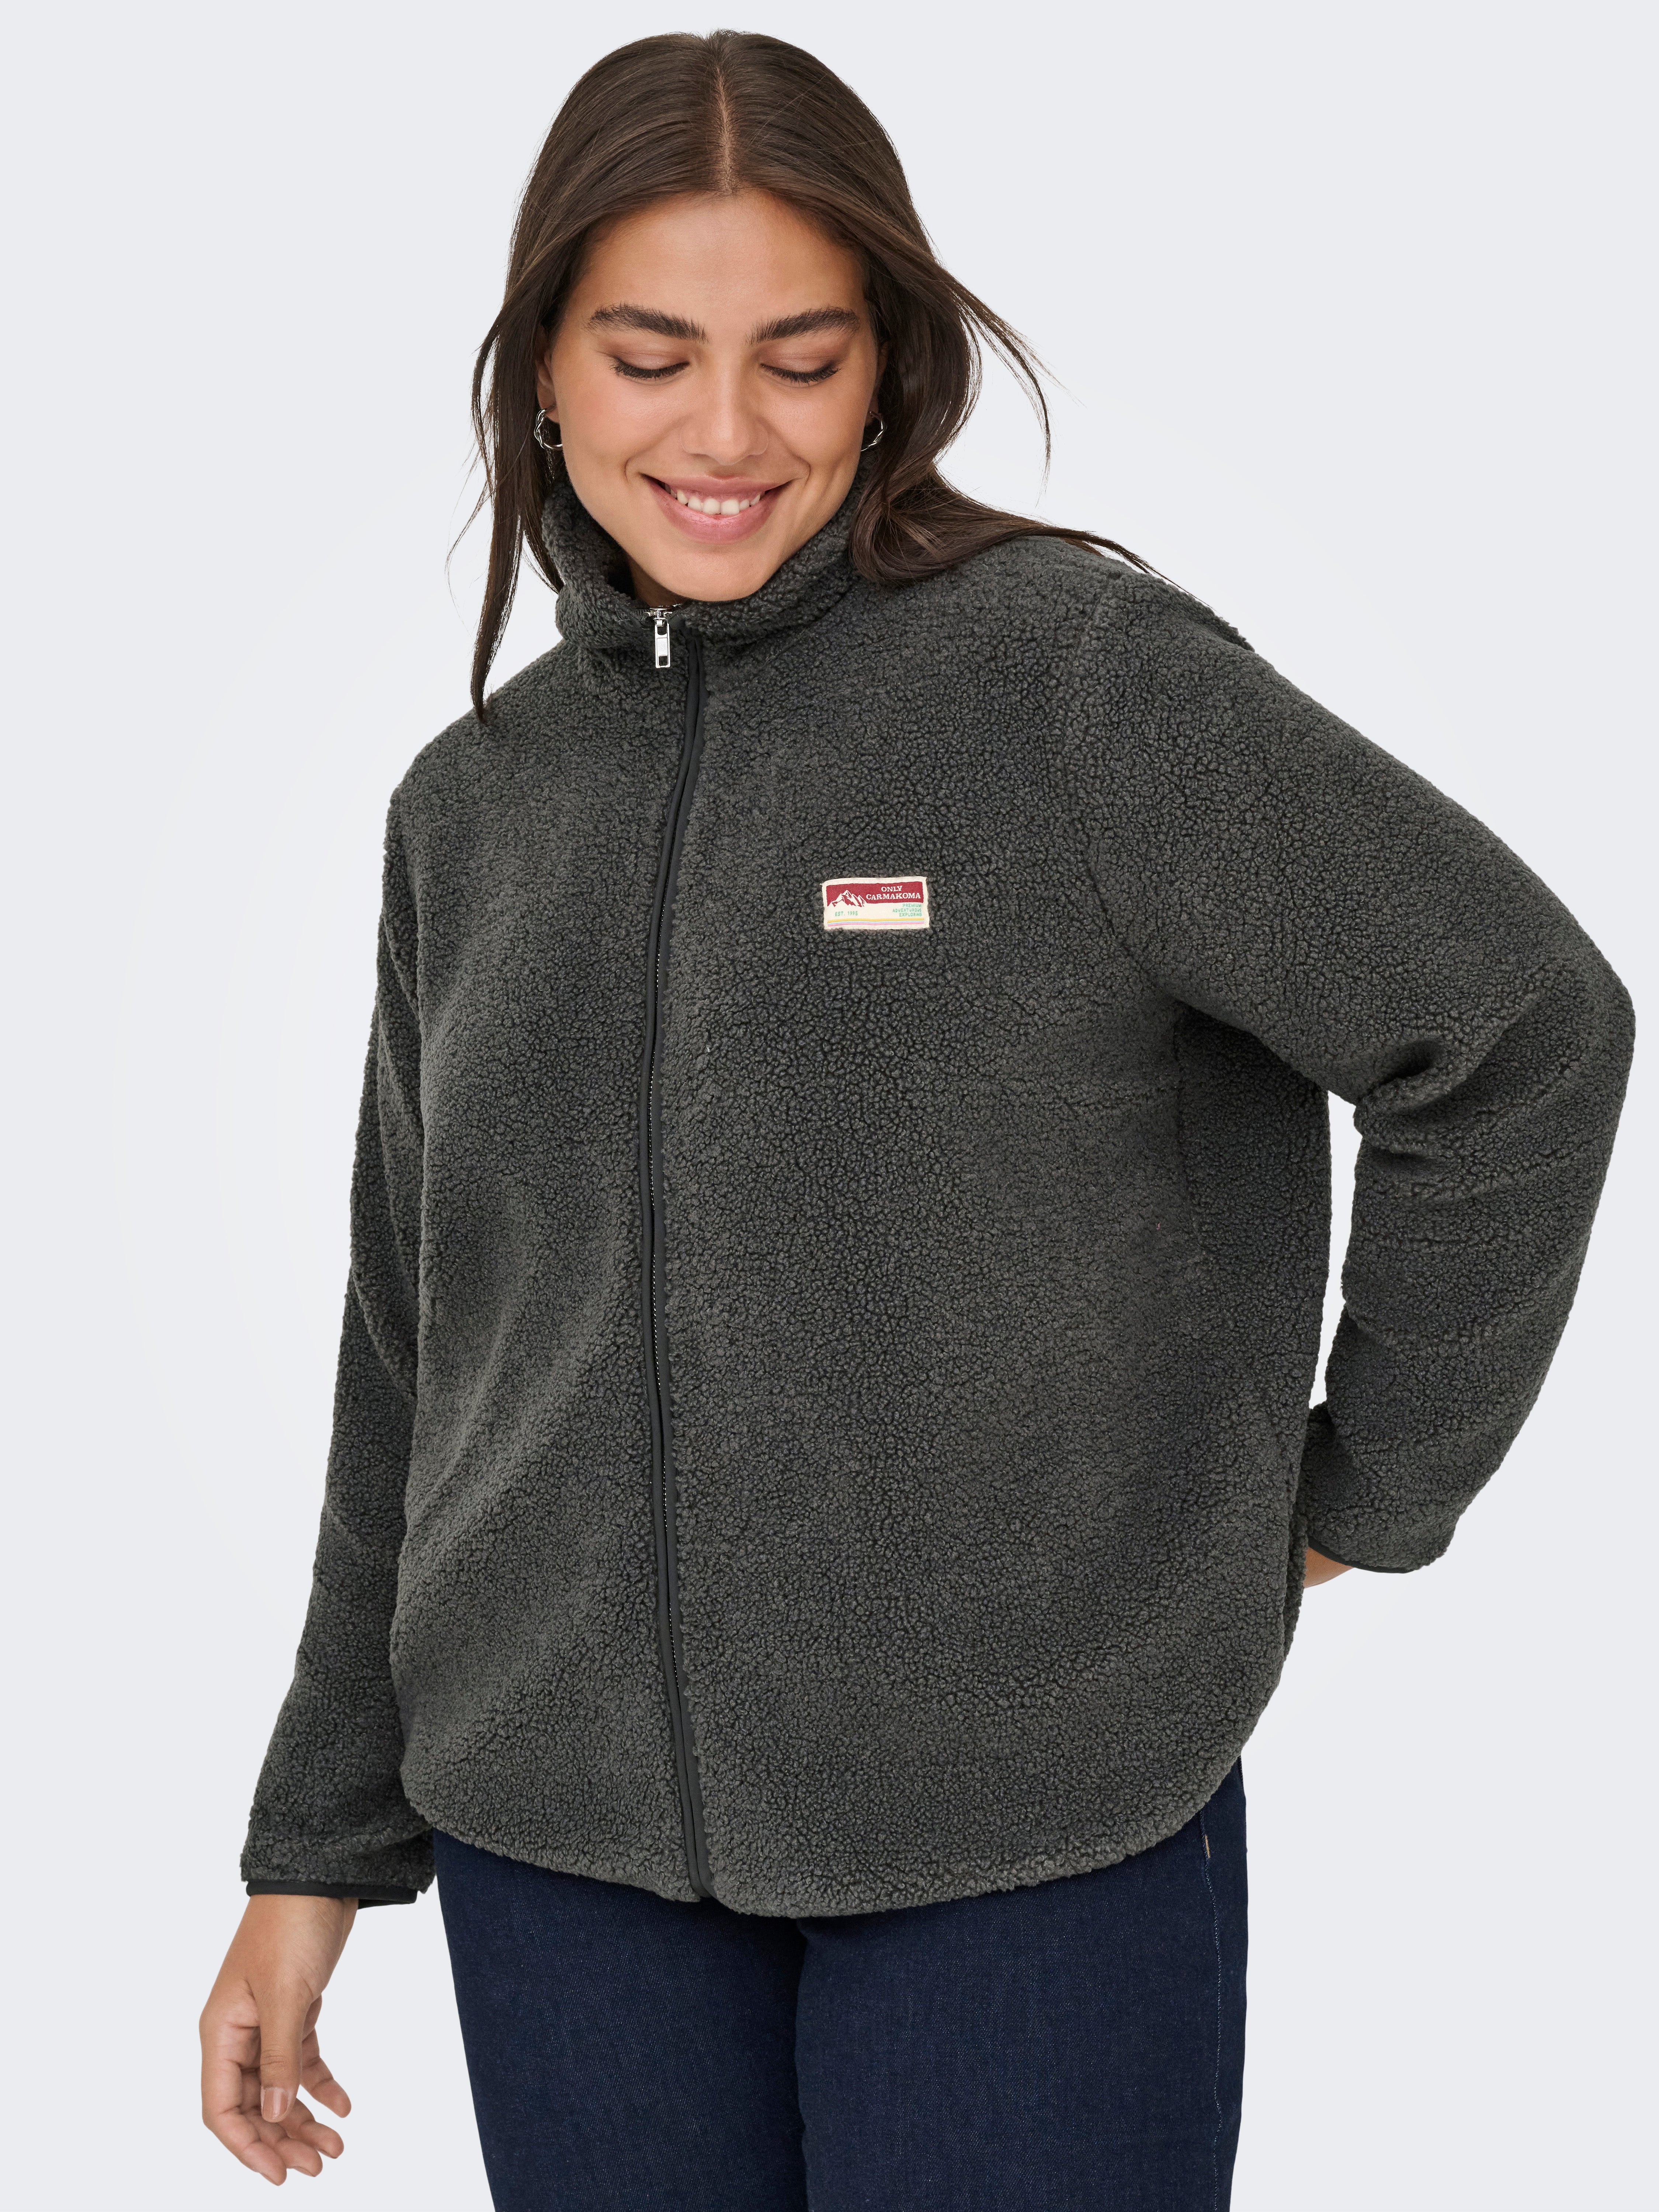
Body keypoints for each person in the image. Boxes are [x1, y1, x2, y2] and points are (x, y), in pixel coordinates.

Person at [198, 29, 1634, 2209]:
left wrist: (1362, 1489)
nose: (723, 432)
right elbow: (417, 1343)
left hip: (1030, 1832)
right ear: (545, 373)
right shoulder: (475, 809)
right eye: (648, 355)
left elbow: (1515, 1029)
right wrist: (315, 1847)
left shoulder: (1077, 688)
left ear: (887, 368)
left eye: (799, 357)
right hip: (555, 1856)